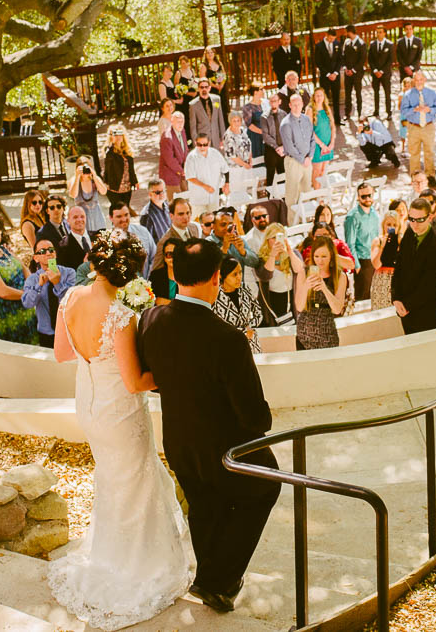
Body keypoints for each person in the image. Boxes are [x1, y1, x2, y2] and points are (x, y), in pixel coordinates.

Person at [49, 230, 195, 625]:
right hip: (120, 410)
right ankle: (136, 566)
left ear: (94, 263)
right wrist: (168, 371)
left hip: (90, 405)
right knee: (135, 482)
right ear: (130, 274)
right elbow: (135, 382)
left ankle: (109, 554)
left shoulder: (70, 298)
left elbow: (63, 353)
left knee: (114, 480)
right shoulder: (121, 314)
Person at [135, 238, 279, 612]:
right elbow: (253, 415)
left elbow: (153, 374)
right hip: (225, 449)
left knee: (203, 505)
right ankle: (218, 579)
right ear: (216, 278)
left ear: (175, 275)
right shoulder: (228, 339)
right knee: (265, 486)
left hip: (180, 441)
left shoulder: (150, 320)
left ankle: (211, 578)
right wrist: (261, 420)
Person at [391, 196, 436, 334]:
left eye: (420, 220)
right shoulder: (409, 233)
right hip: (404, 311)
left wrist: (406, 306)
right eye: (412, 219)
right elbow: (399, 267)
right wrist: (396, 298)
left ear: (430, 217)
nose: (415, 224)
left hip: (425, 314)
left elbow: (429, 285)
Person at [289, 234, 349, 350]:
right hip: (305, 332)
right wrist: (306, 286)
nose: (319, 261)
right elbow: (300, 307)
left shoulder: (339, 276)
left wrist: (324, 288)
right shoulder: (303, 273)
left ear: (331, 255)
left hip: (327, 332)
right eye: (316, 256)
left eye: (324, 256)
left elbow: (337, 309)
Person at [22, 237, 78, 348]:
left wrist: (57, 283)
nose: (48, 253)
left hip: (68, 329)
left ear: (55, 254)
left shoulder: (69, 273)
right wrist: (39, 285)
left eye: (51, 250)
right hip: (46, 333)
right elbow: (27, 303)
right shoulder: (33, 279)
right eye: (42, 251)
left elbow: (71, 302)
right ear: (36, 258)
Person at [216, 256, 265, 354]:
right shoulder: (215, 296)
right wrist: (242, 332)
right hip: (228, 348)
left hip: (251, 346)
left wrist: (250, 327)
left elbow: (258, 312)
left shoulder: (245, 288)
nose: (239, 277)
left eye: (240, 272)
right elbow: (215, 327)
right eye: (234, 274)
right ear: (222, 276)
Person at [399, 70, 436, 178]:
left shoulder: (431, 93)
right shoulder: (408, 94)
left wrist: (429, 109)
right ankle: (416, 178)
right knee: (414, 154)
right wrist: (414, 109)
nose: (419, 82)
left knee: (429, 153)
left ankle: (430, 177)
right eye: (417, 80)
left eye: (421, 79)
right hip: (414, 127)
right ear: (414, 80)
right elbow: (403, 111)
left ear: (425, 80)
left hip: (428, 126)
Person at [343, 182, 381, 300]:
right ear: (358, 198)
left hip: (375, 259)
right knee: (363, 297)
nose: (367, 199)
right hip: (362, 262)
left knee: (375, 294)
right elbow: (350, 243)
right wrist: (357, 266)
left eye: (369, 195)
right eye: (363, 196)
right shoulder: (352, 217)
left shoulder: (375, 214)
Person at [279, 91, 313, 213]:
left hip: (307, 161)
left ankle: (305, 221)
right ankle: (292, 224)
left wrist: (310, 157)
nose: (297, 106)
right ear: (289, 105)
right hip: (293, 162)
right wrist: (302, 160)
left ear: (303, 104)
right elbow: (289, 146)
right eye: (294, 104)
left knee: (306, 192)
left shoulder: (306, 120)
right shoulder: (285, 123)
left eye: (299, 104)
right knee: (292, 195)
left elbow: (312, 139)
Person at [258, 223, 298, 323]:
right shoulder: (261, 259)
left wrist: (289, 251)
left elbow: (299, 270)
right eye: (273, 237)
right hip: (272, 302)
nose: (277, 241)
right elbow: (265, 276)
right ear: (267, 240)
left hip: (291, 301)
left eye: (279, 237)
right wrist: (272, 255)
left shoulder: (292, 254)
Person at [184, 133, 230, 217]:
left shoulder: (215, 154)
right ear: (195, 143)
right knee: (199, 225)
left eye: (204, 145)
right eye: (199, 145)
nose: (202, 147)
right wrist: (205, 186)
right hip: (198, 200)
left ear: (209, 143)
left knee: (214, 222)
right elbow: (190, 177)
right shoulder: (191, 158)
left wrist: (226, 184)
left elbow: (226, 170)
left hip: (214, 198)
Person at [369, 208, 402, 310]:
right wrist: (383, 246)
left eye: (394, 225)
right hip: (381, 281)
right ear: (383, 225)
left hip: (397, 281)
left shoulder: (402, 241)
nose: (391, 227)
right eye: (388, 224)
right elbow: (376, 264)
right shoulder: (377, 241)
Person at [68, 154, 109, 232]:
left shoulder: (94, 179)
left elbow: (103, 192)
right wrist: (77, 177)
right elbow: (73, 195)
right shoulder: (74, 180)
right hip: (82, 217)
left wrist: (95, 176)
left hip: (97, 215)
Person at [103, 125, 137, 211]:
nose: (118, 137)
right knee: (117, 212)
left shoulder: (127, 151)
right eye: (115, 135)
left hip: (127, 188)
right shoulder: (110, 152)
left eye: (120, 134)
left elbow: (131, 170)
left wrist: (135, 181)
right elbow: (107, 170)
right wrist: (113, 142)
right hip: (115, 189)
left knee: (126, 210)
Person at [313, 28, 344, 118]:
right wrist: (327, 74)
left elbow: (340, 60)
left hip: (335, 76)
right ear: (326, 35)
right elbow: (318, 62)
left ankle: (337, 118)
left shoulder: (337, 44)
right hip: (324, 76)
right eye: (330, 38)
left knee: (336, 97)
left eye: (333, 39)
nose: (331, 41)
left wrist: (335, 73)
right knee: (324, 99)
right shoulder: (319, 46)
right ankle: (326, 119)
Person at [309, 87, 336, 189]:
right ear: (314, 97)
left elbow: (333, 126)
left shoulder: (327, 108)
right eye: (317, 95)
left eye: (321, 95)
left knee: (324, 170)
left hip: (328, 144)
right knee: (317, 170)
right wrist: (321, 145)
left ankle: (322, 192)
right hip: (317, 145)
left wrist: (332, 142)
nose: (319, 97)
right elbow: (310, 130)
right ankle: (317, 194)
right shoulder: (310, 110)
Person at [189, 77, 225, 148]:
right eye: (202, 87)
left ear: (209, 88)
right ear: (198, 89)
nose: (204, 89)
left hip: (216, 138)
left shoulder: (217, 99)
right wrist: (195, 142)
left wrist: (223, 138)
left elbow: (220, 119)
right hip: (202, 141)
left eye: (206, 87)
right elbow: (193, 126)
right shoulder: (193, 105)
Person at [368, 29, 395, 117]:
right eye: (377, 32)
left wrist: (382, 71)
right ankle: (376, 111)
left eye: (380, 32)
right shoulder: (372, 44)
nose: (378, 34)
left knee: (387, 93)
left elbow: (390, 60)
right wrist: (375, 70)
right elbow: (370, 59)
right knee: (376, 93)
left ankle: (388, 112)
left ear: (384, 33)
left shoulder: (390, 44)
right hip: (375, 74)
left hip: (385, 73)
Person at [341, 24, 366, 118]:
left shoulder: (361, 43)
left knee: (358, 93)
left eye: (346, 32)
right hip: (347, 73)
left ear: (350, 32)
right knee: (348, 94)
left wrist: (353, 70)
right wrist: (345, 68)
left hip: (357, 73)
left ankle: (360, 113)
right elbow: (343, 56)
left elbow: (362, 59)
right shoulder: (346, 42)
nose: (345, 34)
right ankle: (347, 113)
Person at [160, 111, 190, 188]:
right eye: (178, 122)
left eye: (182, 121)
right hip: (171, 176)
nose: (180, 124)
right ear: (172, 122)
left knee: (185, 198)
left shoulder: (182, 131)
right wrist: (182, 171)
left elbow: (185, 150)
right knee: (175, 199)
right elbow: (170, 159)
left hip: (182, 174)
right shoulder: (167, 137)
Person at [201, 46, 229, 111]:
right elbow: (203, 80)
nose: (210, 54)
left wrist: (221, 85)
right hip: (211, 90)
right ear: (205, 54)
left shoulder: (219, 63)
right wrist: (215, 86)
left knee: (223, 106)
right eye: (208, 53)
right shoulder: (203, 65)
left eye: (211, 52)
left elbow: (224, 75)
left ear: (214, 53)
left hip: (221, 88)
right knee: (215, 107)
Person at [174, 56, 200, 124]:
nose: (184, 65)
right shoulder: (178, 73)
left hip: (193, 95)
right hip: (184, 97)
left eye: (185, 63)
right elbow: (176, 88)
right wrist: (187, 93)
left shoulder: (192, 70)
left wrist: (195, 91)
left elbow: (195, 82)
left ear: (188, 63)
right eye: (182, 63)